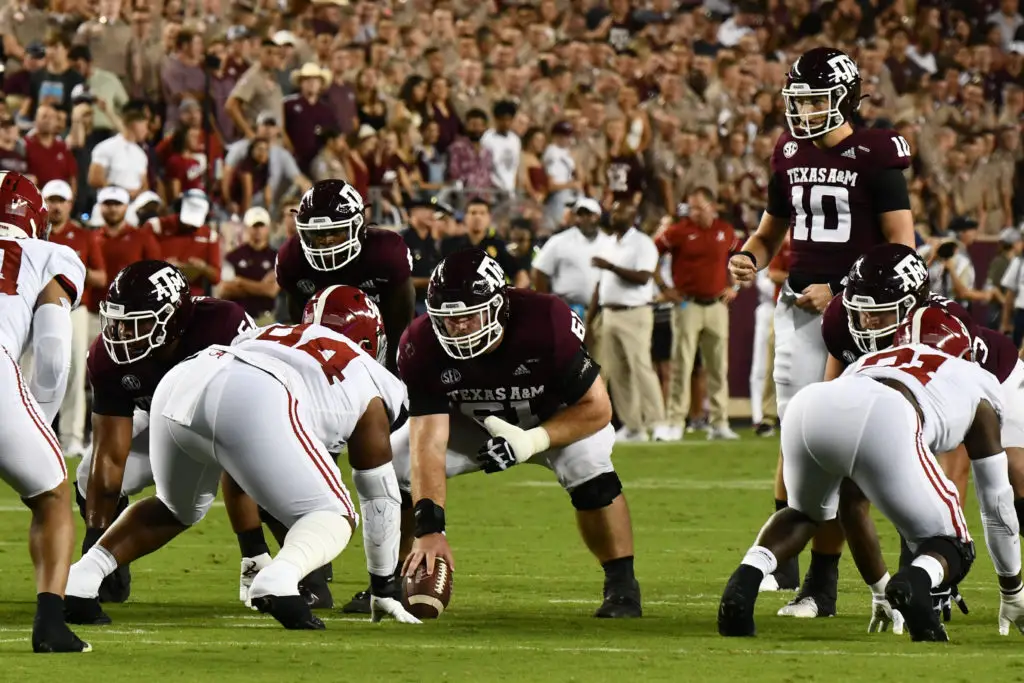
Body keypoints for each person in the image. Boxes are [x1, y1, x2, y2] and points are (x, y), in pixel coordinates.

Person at [65, 285, 420, 630]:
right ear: (368, 341)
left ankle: (82, 578)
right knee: (335, 513)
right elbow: (378, 491)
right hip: (255, 394)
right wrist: (383, 586)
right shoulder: (370, 374)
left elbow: (235, 459)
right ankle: (279, 579)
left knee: (175, 507)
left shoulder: (272, 331)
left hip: (185, 379)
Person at [728, 46, 916, 604]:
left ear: (845, 99)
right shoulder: (787, 149)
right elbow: (770, 231)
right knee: (796, 437)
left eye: (814, 101)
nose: (802, 112)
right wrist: (748, 256)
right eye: (797, 101)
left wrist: (841, 290)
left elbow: (902, 247)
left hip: (863, 317)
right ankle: (788, 566)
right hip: (796, 311)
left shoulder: (876, 152)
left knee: (841, 444)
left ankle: (826, 578)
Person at [719, 307, 1022, 642]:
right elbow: (996, 502)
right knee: (955, 544)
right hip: (887, 415)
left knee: (803, 514)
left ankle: (747, 576)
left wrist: (879, 591)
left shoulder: (872, 359)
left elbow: (852, 506)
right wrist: (1013, 590)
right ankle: (914, 583)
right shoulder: (974, 377)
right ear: (964, 350)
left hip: (813, 404)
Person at [397, 248, 642, 618]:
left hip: (552, 419)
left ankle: (622, 585)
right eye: (449, 320)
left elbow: (597, 408)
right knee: (396, 463)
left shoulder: (545, 321)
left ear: (499, 306)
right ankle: (390, 577)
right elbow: (428, 440)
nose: (459, 328)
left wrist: (530, 442)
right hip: (473, 425)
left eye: (470, 316)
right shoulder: (422, 344)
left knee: (589, 466)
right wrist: (430, 527)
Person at [819, 243, 1024, 617]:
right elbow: (835, 385)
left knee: (1013, 483)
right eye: (860, 311)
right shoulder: (839, 318)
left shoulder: (939, 329)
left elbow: (953, 452)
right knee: (855, 484)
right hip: (900, 397)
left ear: (911, 305)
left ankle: (967, 582)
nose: (866, 323)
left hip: (991, 384)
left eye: (879, 314)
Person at [75, 260, 272, 606]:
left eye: (137, 324)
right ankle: (111, 558)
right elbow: (108, 455)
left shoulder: (223, 325)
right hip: (165, 425)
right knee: (86, 472)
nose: (122, 336)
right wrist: (95, 544)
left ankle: (277, 564)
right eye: (118, 324)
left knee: (269, 477)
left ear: (173, 318)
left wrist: (252, 549)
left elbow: (246, 430)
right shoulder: (106, 357)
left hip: (234, 426)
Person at [0, 171, 91, 653]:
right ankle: (50, 625)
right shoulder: (48, 253)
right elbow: (54, 349)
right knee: (52, 497)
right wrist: (40, 425)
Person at [274, 179, 414, 371]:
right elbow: (303, 324)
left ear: (358, 226)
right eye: (317, 234)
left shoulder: (385, 254)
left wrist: (389, 368)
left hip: (381, 337)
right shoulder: (292, 258)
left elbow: (400, 321)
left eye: (335, 232)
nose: (326, 241)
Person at [654, 187, 739, 441]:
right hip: (687, 305)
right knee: (681, 366)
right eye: (691, 207)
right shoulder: (678, 231)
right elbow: (651, 253)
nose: (693, 212)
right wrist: (663, 288)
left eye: (699, 207)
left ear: (712, 206)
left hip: (716, 306)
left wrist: (733, 285)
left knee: (718, 367)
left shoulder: (725, 231)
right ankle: (675, 422)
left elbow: (738, 257)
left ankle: (720, 422)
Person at [587, 201, 669, 442]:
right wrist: (590, 319)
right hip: (609, 312)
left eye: (620, 210)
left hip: (635, 312)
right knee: (619, 371)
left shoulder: (643, 243)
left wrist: (610, 266)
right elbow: (600, 284)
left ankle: (658, 422)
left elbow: (644, 277)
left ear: (634, 215)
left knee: (641, 367)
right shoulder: (609, 242)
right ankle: (633, 425)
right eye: (613, 210)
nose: (614, 214)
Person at [41, 179, 106, 457]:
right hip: (39, 309)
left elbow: (101, 276)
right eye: (51, 200)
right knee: (36, 372)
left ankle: (72, 437)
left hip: (75, 309)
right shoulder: (35, 233)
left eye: (60, 200)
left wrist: (73, 271)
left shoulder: (84, 236)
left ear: (69, 204)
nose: (55, 206)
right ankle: (39, 433)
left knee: (76, 371)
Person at [531, 197, 611, 320]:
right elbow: (539, 271)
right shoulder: (559, 241)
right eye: (580, 215)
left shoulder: (609, 243)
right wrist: (546, 303)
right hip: (567, 308)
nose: (584, 219)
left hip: (600, 311)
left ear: (598, 217)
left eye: (589, 215)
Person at [217, 206, 280, 325]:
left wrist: (240, 282)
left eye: (261, 225)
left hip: (264, 318)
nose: (258, 230)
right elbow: (224, 290)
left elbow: (271, 290)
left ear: (268, 228)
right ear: (246, 228)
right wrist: (261, 286)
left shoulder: (276, 257)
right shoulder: (233, 256)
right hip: (238, 319)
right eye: (254, 226)